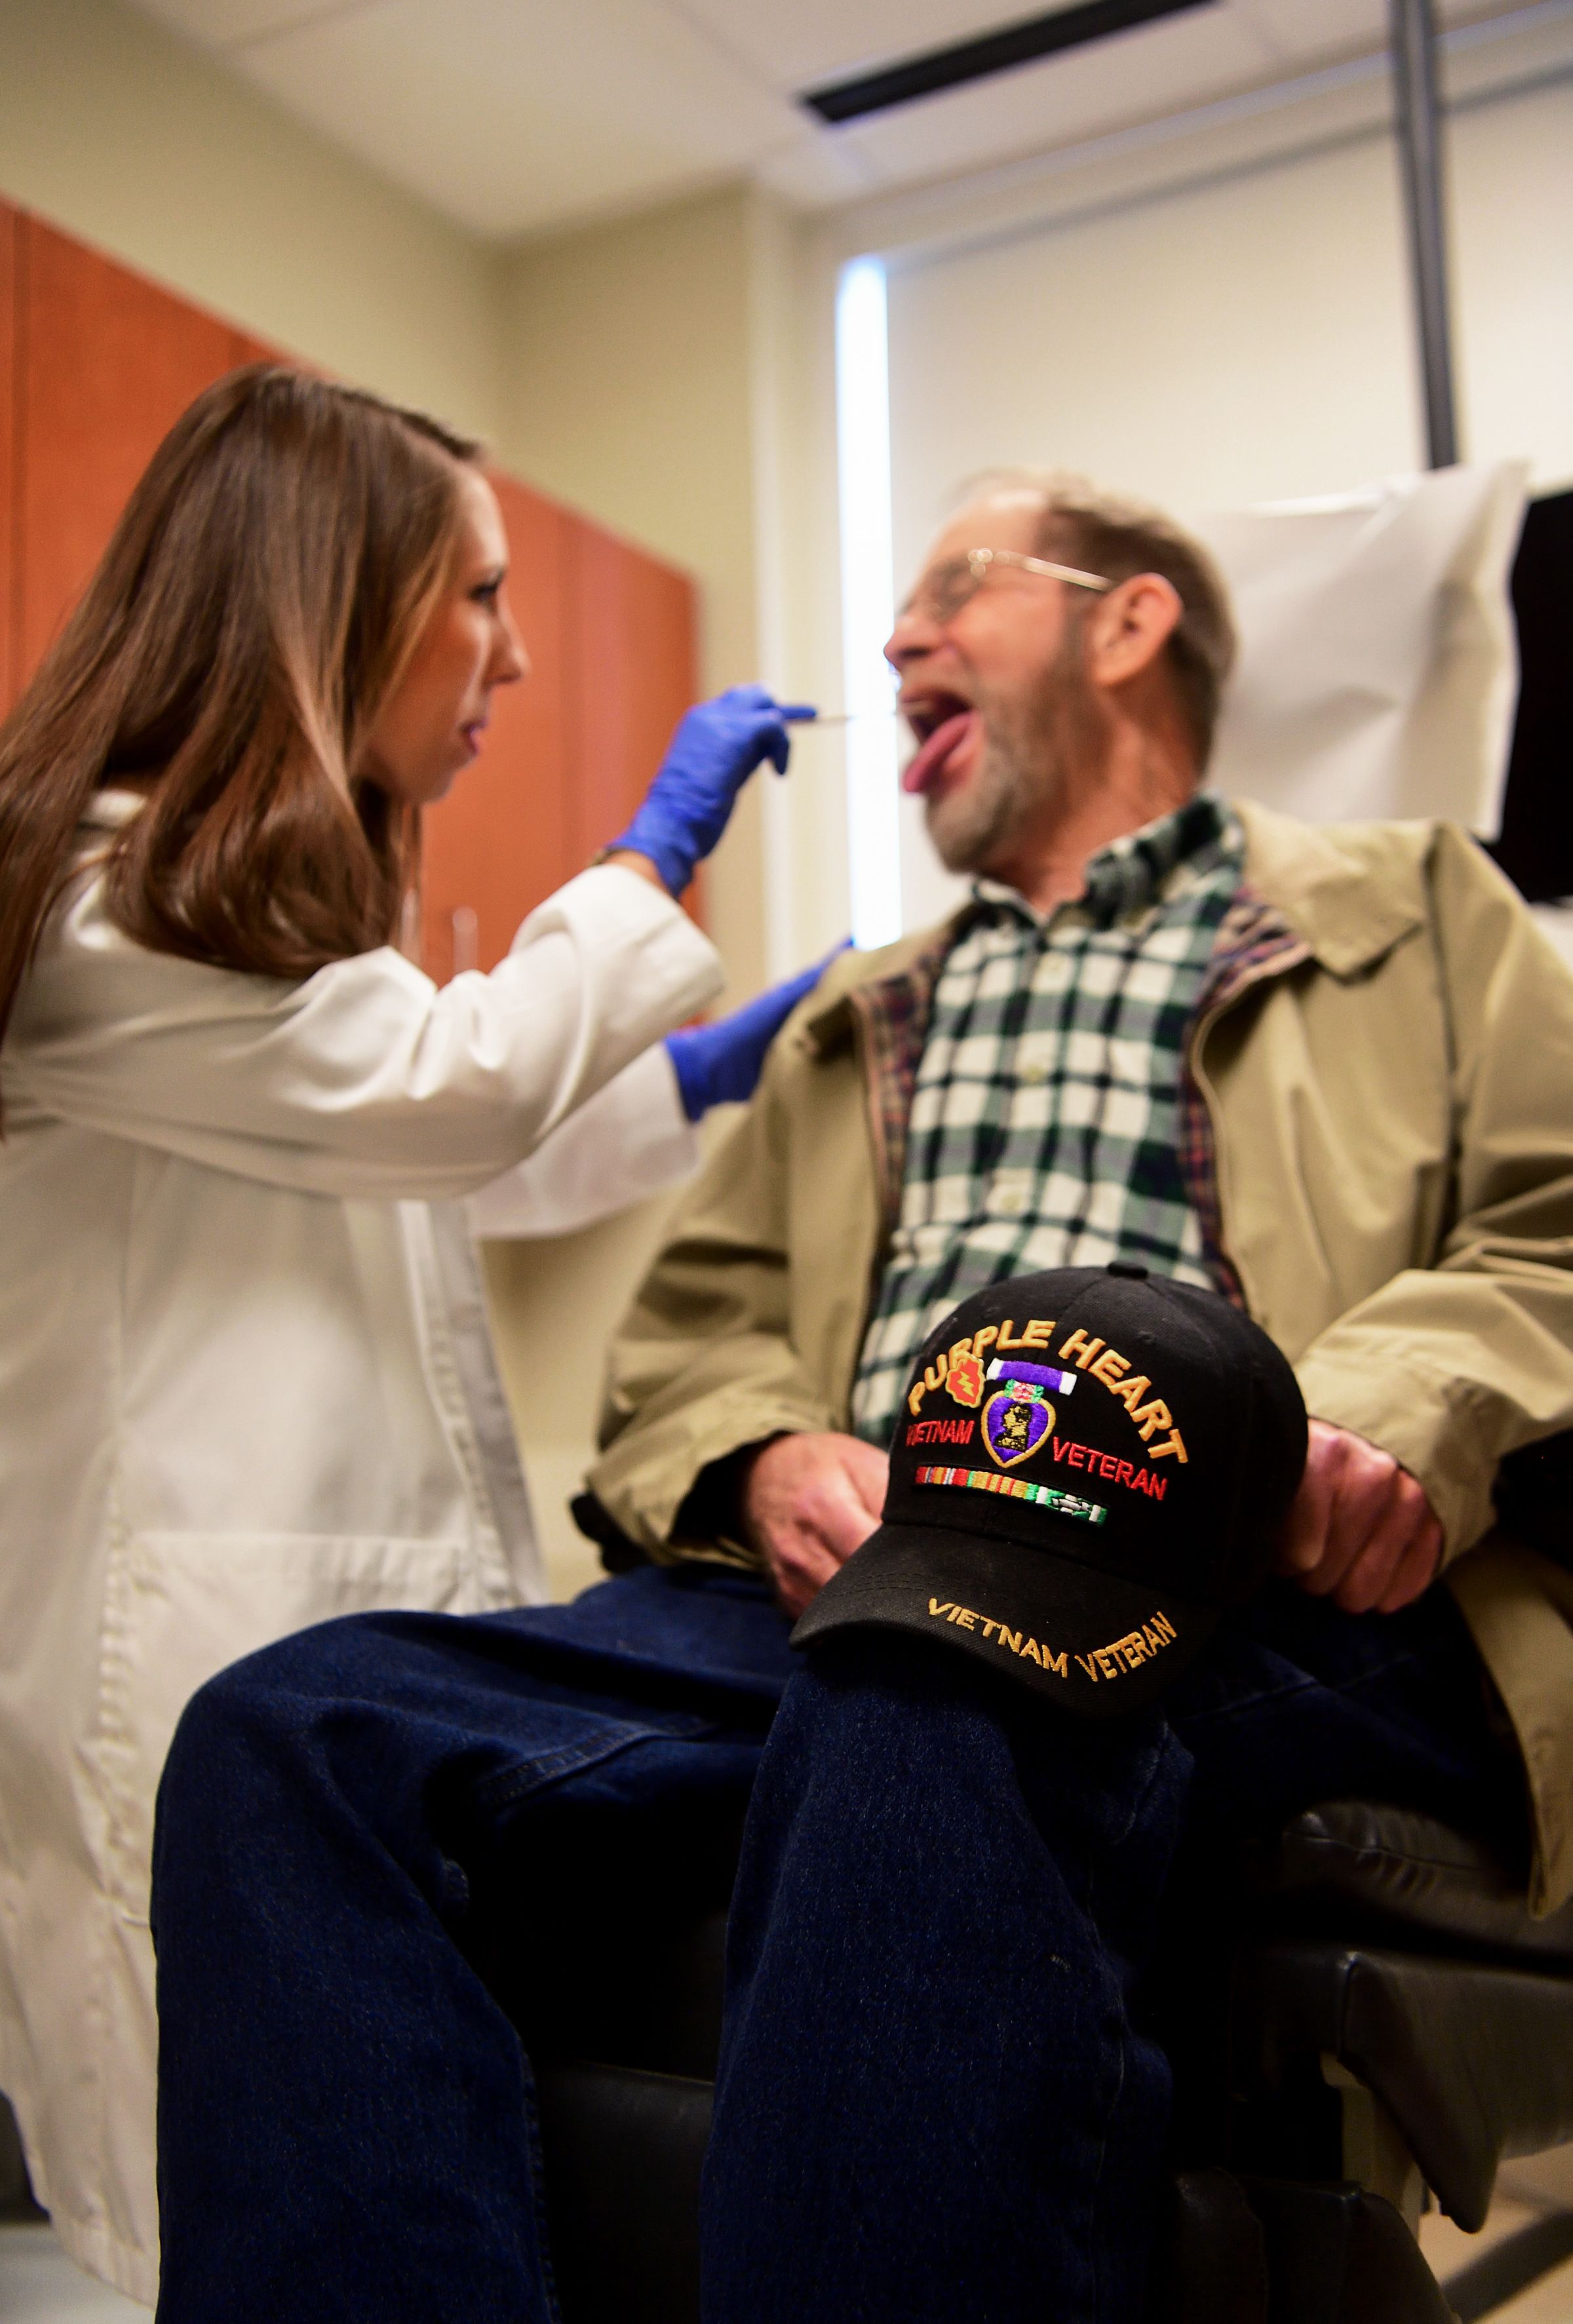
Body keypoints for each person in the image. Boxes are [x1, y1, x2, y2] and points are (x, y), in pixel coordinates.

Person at [149, 469, 1573, 2323]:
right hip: (844, 1590)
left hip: (1245, 1570)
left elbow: (1556, 1229)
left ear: (1128, 622)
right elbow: (689, 1340)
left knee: (957, 1659)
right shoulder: (860, 1013)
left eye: (953, 588)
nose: (897, 637)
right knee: (288, 1736)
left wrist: (1381, 1412)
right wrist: (761, 1457)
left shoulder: (1419, 912)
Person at [0, 364, 819, 2305]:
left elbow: (422, 1167)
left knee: (354, 2174)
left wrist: (700, 1081)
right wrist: (649, 863)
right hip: (199, 1648)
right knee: (232, 2208)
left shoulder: (262, 919)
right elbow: (435, 1102)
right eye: (476, 592)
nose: (518, 649)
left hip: (337, 1644)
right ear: (326, 595)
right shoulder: (94, 910)